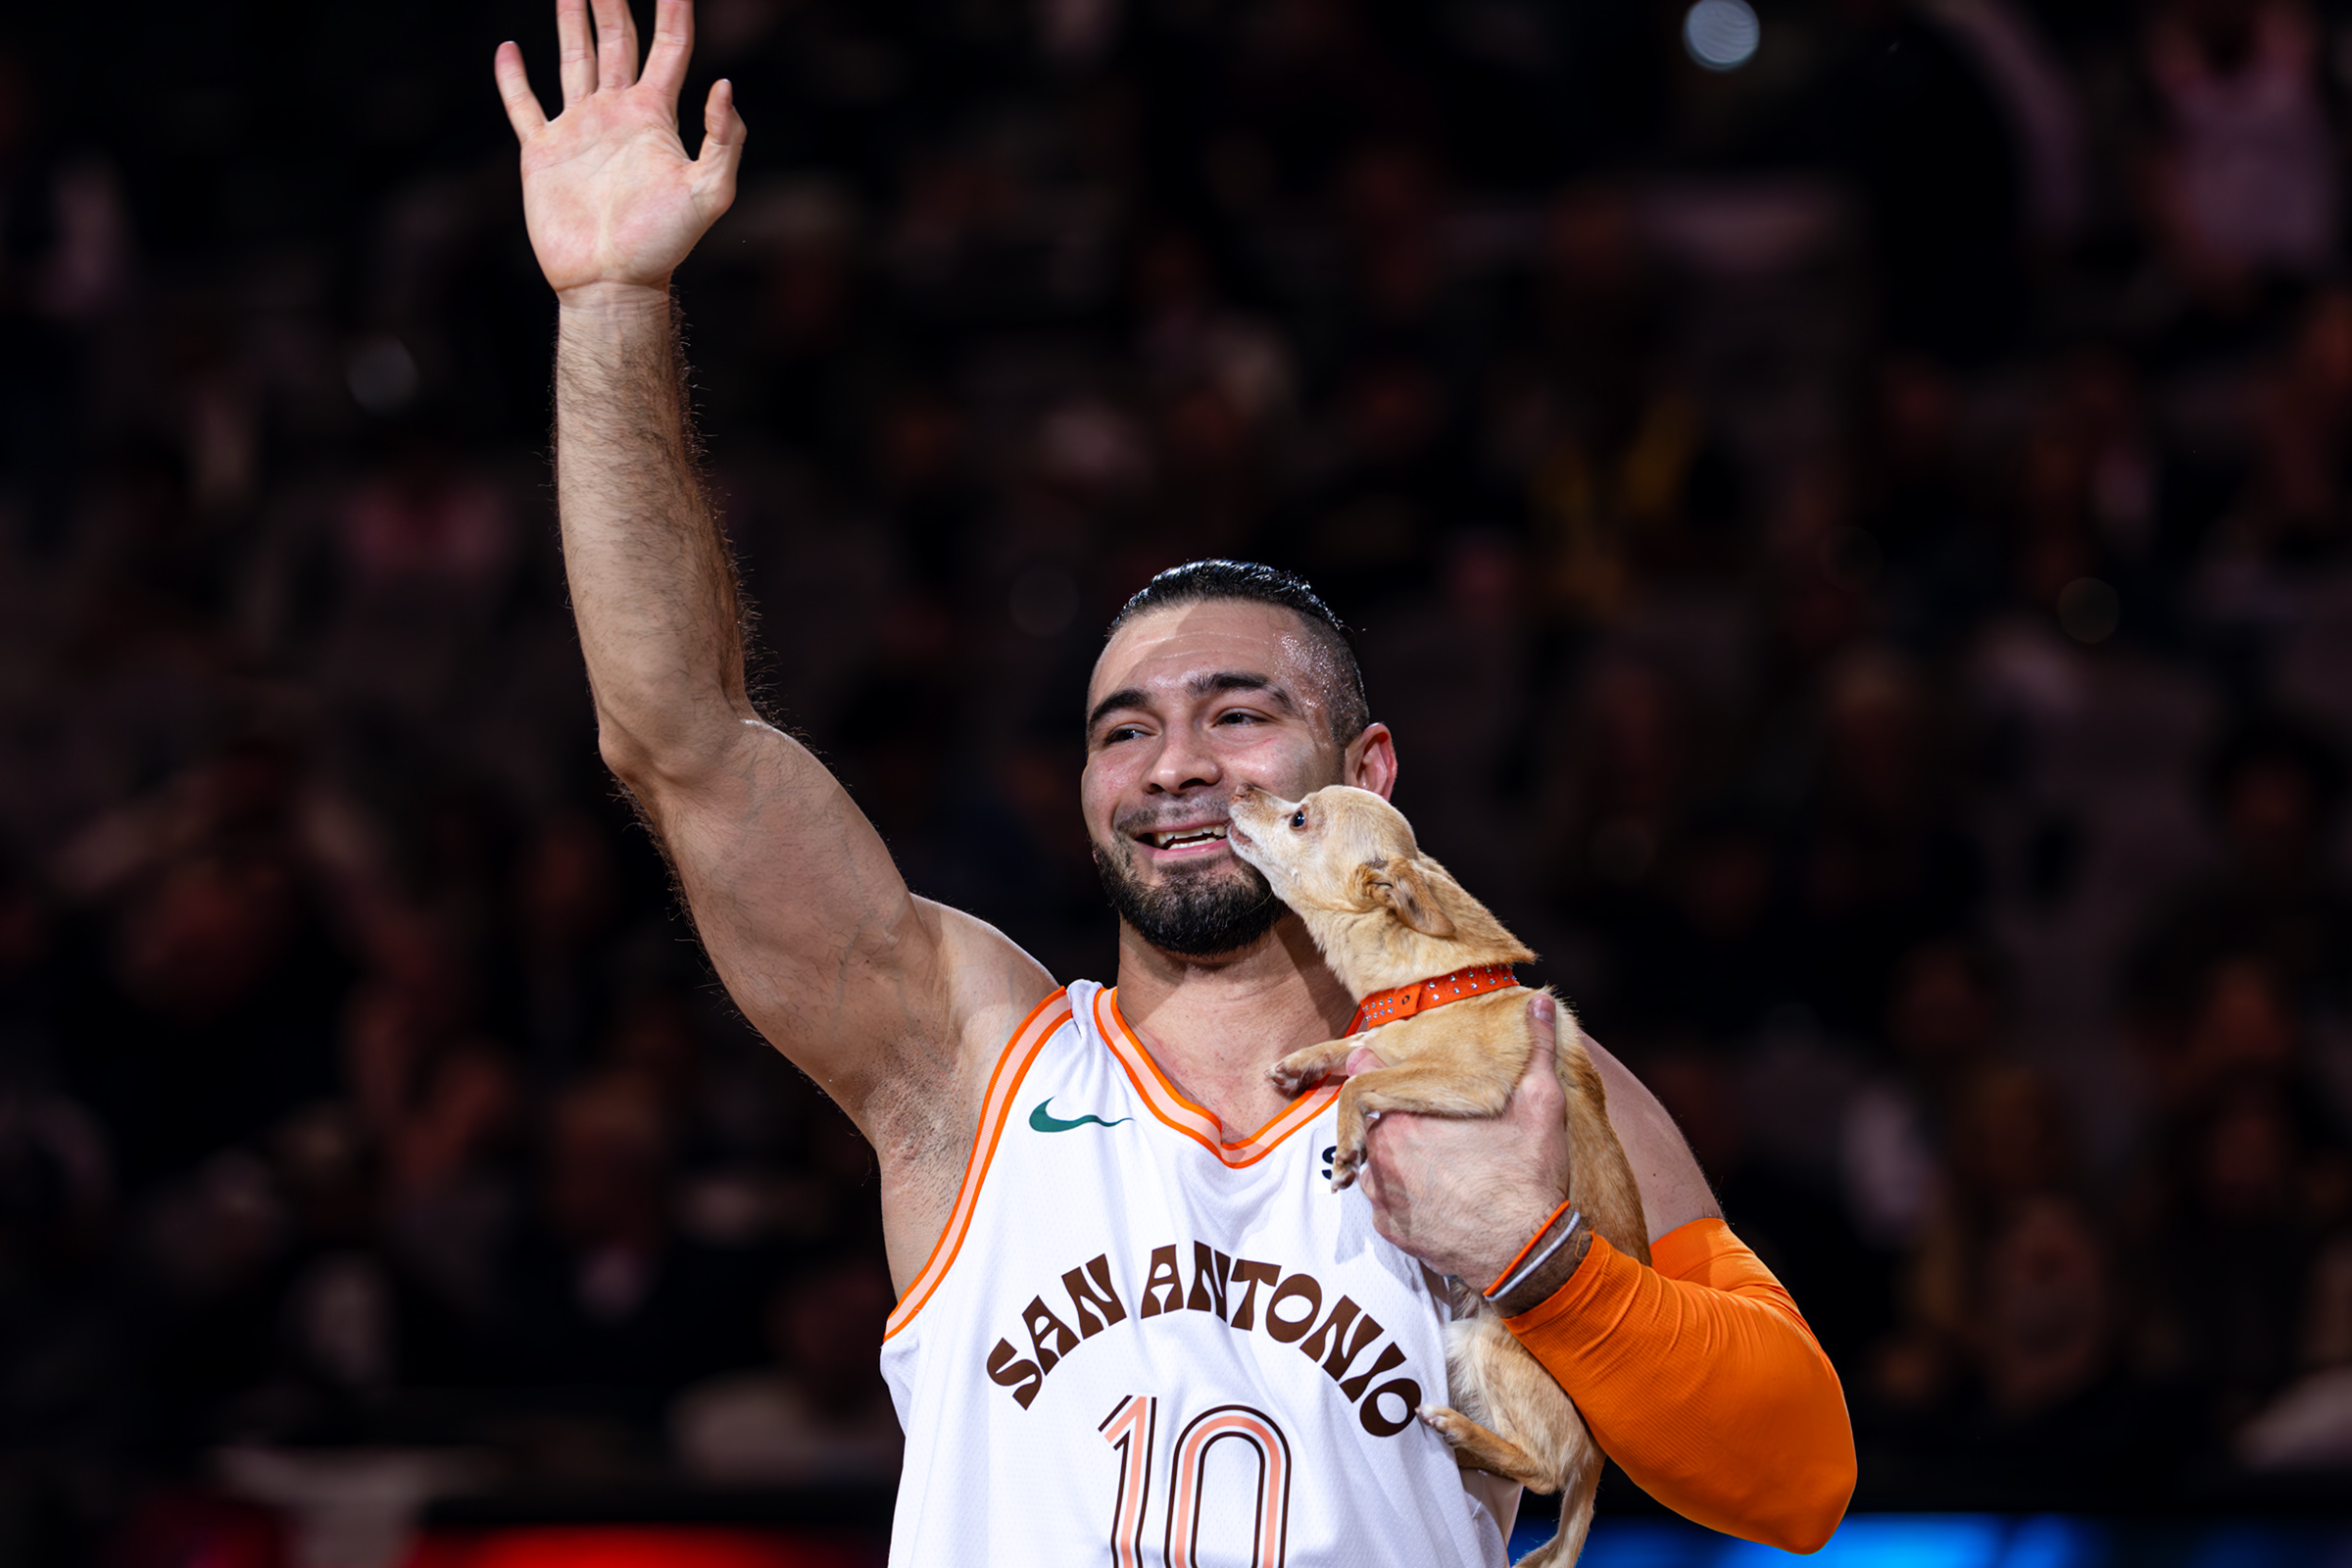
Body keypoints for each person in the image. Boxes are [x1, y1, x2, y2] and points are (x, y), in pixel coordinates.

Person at [490, 4, 1854, 1561]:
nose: (1179, 764)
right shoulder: (968, 1059)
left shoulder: (1517, 1080)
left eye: (1239, 713)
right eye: (1124, 730)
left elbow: (1799, 1478)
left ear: (1369, 771)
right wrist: (613, 303)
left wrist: (1547, 1267)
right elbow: (678, 740)